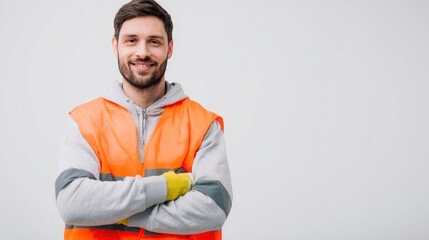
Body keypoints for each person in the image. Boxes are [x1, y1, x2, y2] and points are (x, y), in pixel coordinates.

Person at [54, 0, 233, 239]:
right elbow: (71, 202)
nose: (142, 52)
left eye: (154, 42)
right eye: (131, 40)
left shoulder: (202, 125)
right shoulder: (85, 121)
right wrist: (167, 188)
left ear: (169, 48)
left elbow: (214, 207)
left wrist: (121, 214)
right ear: (115, 46)